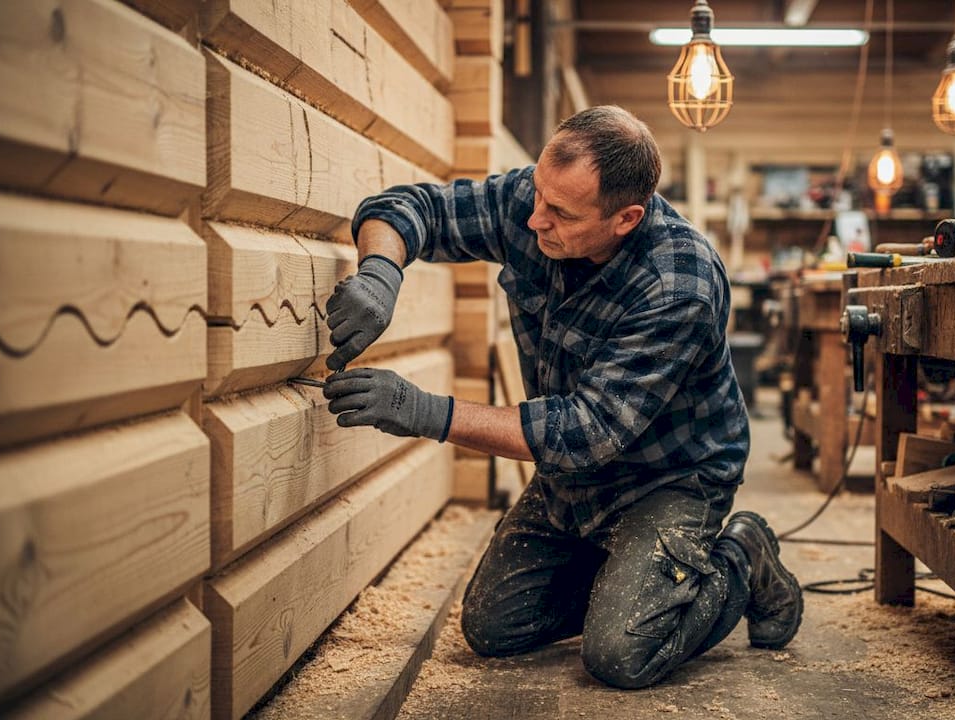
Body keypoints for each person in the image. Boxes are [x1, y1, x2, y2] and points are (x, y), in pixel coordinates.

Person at [322, 105, 803, 689]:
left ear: (625, 219)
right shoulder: (538, 202)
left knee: (620, 654)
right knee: (494, 628)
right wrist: (380, 274)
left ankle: (742, 559)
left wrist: (422, 411)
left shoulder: (679, 284)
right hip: (574, 480)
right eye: (538, 194)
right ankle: (631, 575)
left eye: (561, 213)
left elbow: (586, 431)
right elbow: (411, 207)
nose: (534, 219)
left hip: (669, 477)